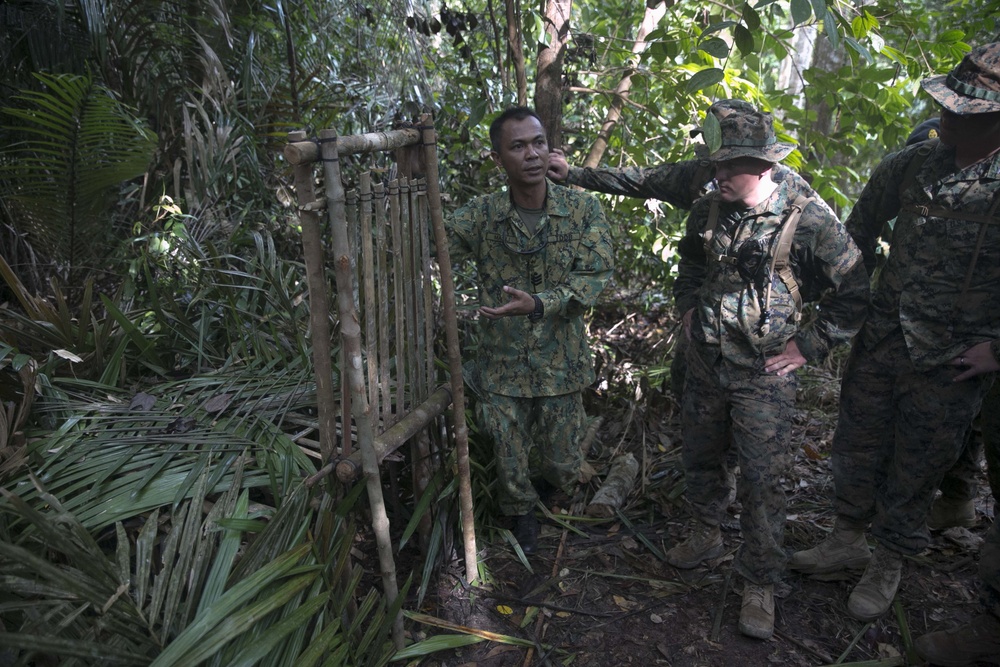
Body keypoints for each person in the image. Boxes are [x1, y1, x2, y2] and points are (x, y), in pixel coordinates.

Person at [790, 44, 1000, 642]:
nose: (947, 120)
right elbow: (852, 240)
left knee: (920, 460)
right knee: (857, 439)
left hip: (955, 358)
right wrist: (838, 307)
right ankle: (847, 539)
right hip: (885, 335)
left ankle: (889, 561)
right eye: (946, 108)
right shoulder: (911, 164)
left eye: (964, 113)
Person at [669, 101, 870, 639]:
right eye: (715, 164)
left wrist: (809, 346)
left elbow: (854, 290)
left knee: (763, 478)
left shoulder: (807, 218)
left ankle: (761, 578)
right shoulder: (709, 207)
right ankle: (706, 529)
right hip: (707, 359)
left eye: (730, 165)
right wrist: (687, 306)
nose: (719, 175)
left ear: (763, 165)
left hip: (764, 371)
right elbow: (690, 260)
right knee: (701, 451)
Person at [444, 106, 615, 555]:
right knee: (507, 448)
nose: (532, 154)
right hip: (502, 362)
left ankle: (552, 487)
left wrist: (540, 303)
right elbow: (430, 238)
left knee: (562, 462)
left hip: (561, 361)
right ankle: (520, 513)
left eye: (538, 143)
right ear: (498, 159)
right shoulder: (482, 215)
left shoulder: (582, 210)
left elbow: (593, 277)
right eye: (517, 146)